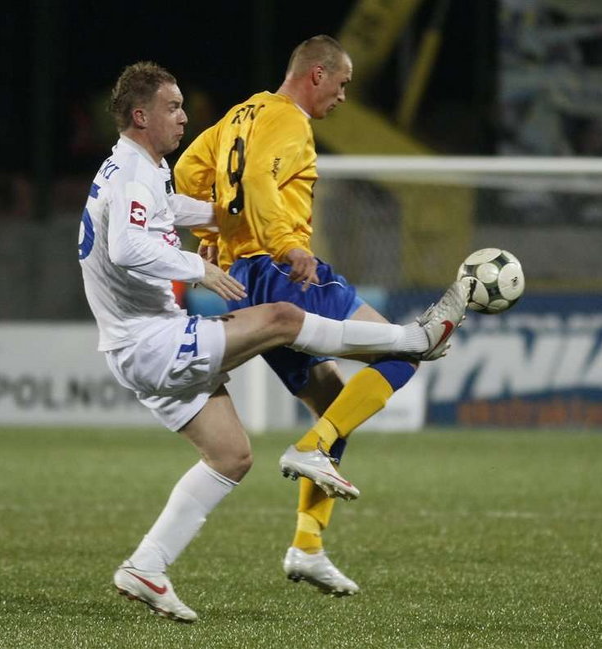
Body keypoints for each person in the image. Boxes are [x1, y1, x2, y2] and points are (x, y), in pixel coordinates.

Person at [78, 61, 467, 623]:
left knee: (231, 456)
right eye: (173, 107)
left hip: (135, 345)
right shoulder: (138, 174)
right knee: (284, 317)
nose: (184, 117)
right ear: (141, 116)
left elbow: (172, 202)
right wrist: (198, 265)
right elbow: (124, 247)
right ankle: (413, 336)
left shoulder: (138, 168)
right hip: (152, 341)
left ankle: (147, 566)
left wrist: (216, 216)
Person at [174, 35, 462, 596]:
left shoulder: (240, 114)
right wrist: (286, 243)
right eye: (343, 83)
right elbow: (258, 180)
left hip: (242, 284)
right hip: (283, 273)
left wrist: (211, 236)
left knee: (334, 403)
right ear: (316, 75)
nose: (344, 96)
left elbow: (187, 175)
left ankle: (307, 547)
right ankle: (310, 449)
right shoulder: (289, 119)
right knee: (410, 347)